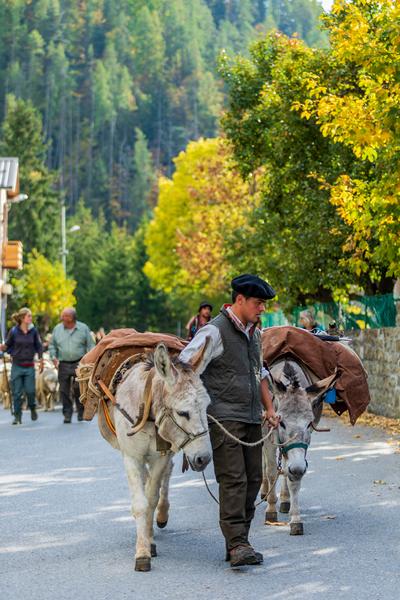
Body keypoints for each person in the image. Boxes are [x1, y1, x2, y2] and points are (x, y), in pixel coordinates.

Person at [180, 274, 279, 568]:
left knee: (253, 479)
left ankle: (240, 541)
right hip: (223, 420)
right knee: (234, 480)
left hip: (250, 417)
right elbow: (185, 367)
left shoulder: (254, 334)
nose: (262, 309)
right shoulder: (213, 332)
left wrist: (270, 408)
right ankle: (237, 543)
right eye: (258, 303)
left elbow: (257, 372)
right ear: (239, 300)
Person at [49, 308, 95, 423]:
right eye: (62, 316)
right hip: (63, 363)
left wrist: (89, 360)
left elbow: (91, 345)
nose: (62, 318)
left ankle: (80, 411)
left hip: (79, 363)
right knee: (64, 390)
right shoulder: (57, 329)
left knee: (78, 388)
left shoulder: (83, 328)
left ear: (72, 318)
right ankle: (67, 414)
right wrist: (53, 357)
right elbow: (52, 345)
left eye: (65, 316)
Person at [0, 307, 43, 425]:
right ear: (23, 318)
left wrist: (41, 360)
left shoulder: (33, 331)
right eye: (29, 316)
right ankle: (17, 416)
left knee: (30, 391)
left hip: (29, 366)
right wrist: (3, 347)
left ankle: (33, 407)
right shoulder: (13, 331)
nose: (31, 318)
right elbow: (8, 345)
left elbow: (39, 346)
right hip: (17, 365)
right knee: (17, 392)